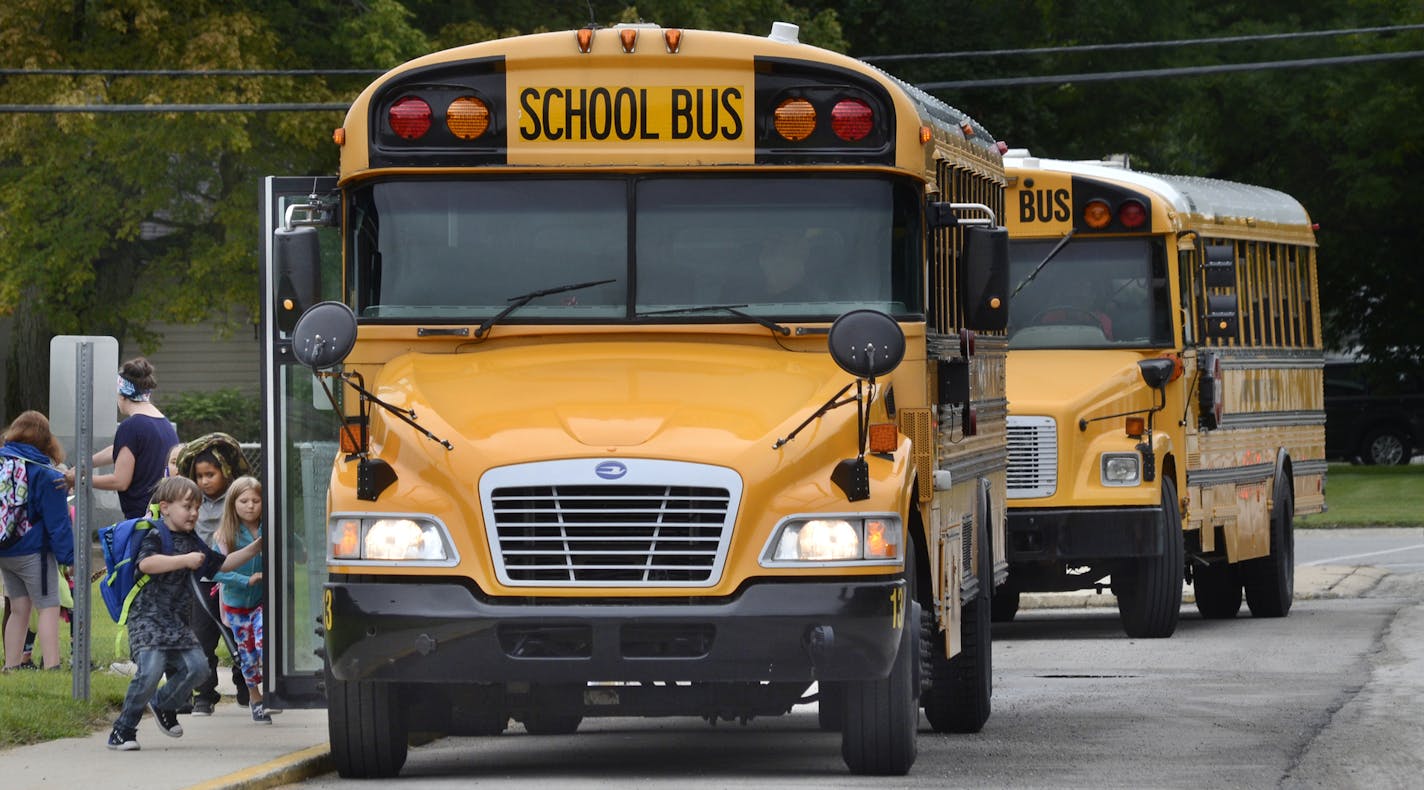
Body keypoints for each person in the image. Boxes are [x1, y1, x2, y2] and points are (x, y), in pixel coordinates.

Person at [106, 476, 263, 752]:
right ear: (165, 507)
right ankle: (123, 729)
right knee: (151, 670)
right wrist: (184, 560)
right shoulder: (155, 533)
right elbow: (146, 563)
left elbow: (222, 565)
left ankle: (163, 703)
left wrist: (255, 547)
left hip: (177, 620)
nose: (193, 513)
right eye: (187, 507)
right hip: (147, 617)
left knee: (199, 668)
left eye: (197, 508)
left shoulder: (191, 540)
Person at [175, 433, 253, 714]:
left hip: (234, 581)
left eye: (211, 474)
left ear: (226, 472)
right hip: (202, 581)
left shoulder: (239, 501)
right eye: (199, 476)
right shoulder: (190, 501)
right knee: (201, 635)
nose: (205, 481)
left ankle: (246, 684)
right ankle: (205, 694)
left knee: (239, 633)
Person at [0, 411, 76, 671]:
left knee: (19, 608)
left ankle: (10, 666)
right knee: (48, 607)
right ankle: (52, 666)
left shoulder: (3, 465)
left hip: (5, 550)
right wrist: (70, 559)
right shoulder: (48, 475)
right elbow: (58, 524)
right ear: (46, 440)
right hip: (34, 553)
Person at [66, 357, 181, 519]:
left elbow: (120, 481)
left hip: (142, 519)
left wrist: (81, 479)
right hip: (165, 515)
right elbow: (123, 450)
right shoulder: (163, 423)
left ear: (122, 395)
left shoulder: (131, 426)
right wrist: (86, 463)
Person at [211, 476, 271, 723]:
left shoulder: (270, 529)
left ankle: (271, 691)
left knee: (263, 641)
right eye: (244, 501)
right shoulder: (226, 535)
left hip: (261, 603)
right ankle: (255, 698)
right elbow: (215, 571)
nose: (250, 506)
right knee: (246, 656)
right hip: (236, 606)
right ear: (233, 504)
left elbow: (295, 551)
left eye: (256, 500)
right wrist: (246, 580)